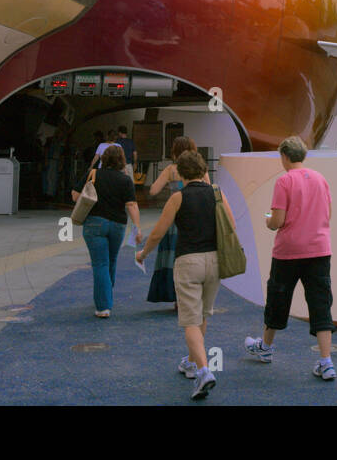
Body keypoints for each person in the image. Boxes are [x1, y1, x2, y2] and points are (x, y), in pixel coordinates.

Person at [136, 151, 236, 401]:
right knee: (202, 314)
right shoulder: (217, 193)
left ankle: (204, 371)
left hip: (188, 260)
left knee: (189, 319)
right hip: (214, 260)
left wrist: (143, 253)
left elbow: (158, 233)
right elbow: (232, 226)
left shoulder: (178, 198)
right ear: (203, 170)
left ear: (180, 173)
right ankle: (192, 362)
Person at [244, 136, 337, 380]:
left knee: (278, 297)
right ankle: (326, 361)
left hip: (288, 251)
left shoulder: (284, 181)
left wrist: (268, 219)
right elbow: (328, 213)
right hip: (319, 249)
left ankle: (265, 347)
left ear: (285, 157)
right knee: (320, 302)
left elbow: (278, 221)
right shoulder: (321, 179)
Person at [73, 144, 140, 318]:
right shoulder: (126, 180)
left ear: (104, 159)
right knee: (111, 261)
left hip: (94, 224)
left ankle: (103, 306)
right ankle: (106, 297)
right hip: (117, 225)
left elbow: (74, 194)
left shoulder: (93, 174)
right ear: (122, 161)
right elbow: (131, 205)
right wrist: (137, 228)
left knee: (100, 264)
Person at [144, 136, 198, 308]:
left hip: (174, 219)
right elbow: (208, 189)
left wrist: (171, 185)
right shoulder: (199, 169)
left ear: (174, 151)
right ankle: (189, 296)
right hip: (193, 219)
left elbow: (153, 190)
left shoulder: (171, 170)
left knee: (172, 258)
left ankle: (175, 296)